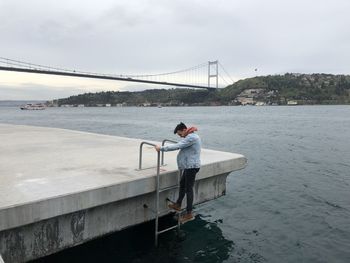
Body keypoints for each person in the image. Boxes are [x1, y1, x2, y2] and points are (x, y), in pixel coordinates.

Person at [155, 122, 201, 223]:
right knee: (182, 184)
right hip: (189, 166)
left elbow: (178, 146)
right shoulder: (190, 136)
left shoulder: (192, 137)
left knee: (189, 189)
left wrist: (161, 148)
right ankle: (178, 204)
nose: (180, 136)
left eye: (180, 134)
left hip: (191, 167)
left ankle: (189, 213)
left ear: (184, 130)